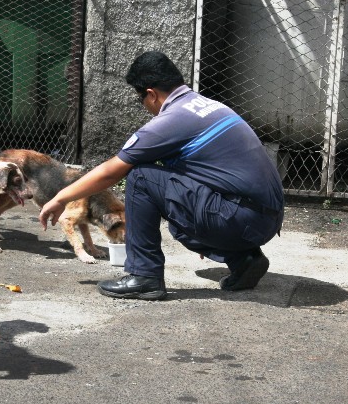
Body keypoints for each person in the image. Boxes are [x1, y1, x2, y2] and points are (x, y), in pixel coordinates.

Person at [39, 51, 284, 300]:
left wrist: (60, 198)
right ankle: (244, 260)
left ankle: (144, 275)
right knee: (176, 213)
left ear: (151, 94)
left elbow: (111, 172)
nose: (143, 106)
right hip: (264, 219)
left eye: (140, 99)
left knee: (142, 177)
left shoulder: (172, 120)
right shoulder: (208, 106)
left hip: (239, 218)